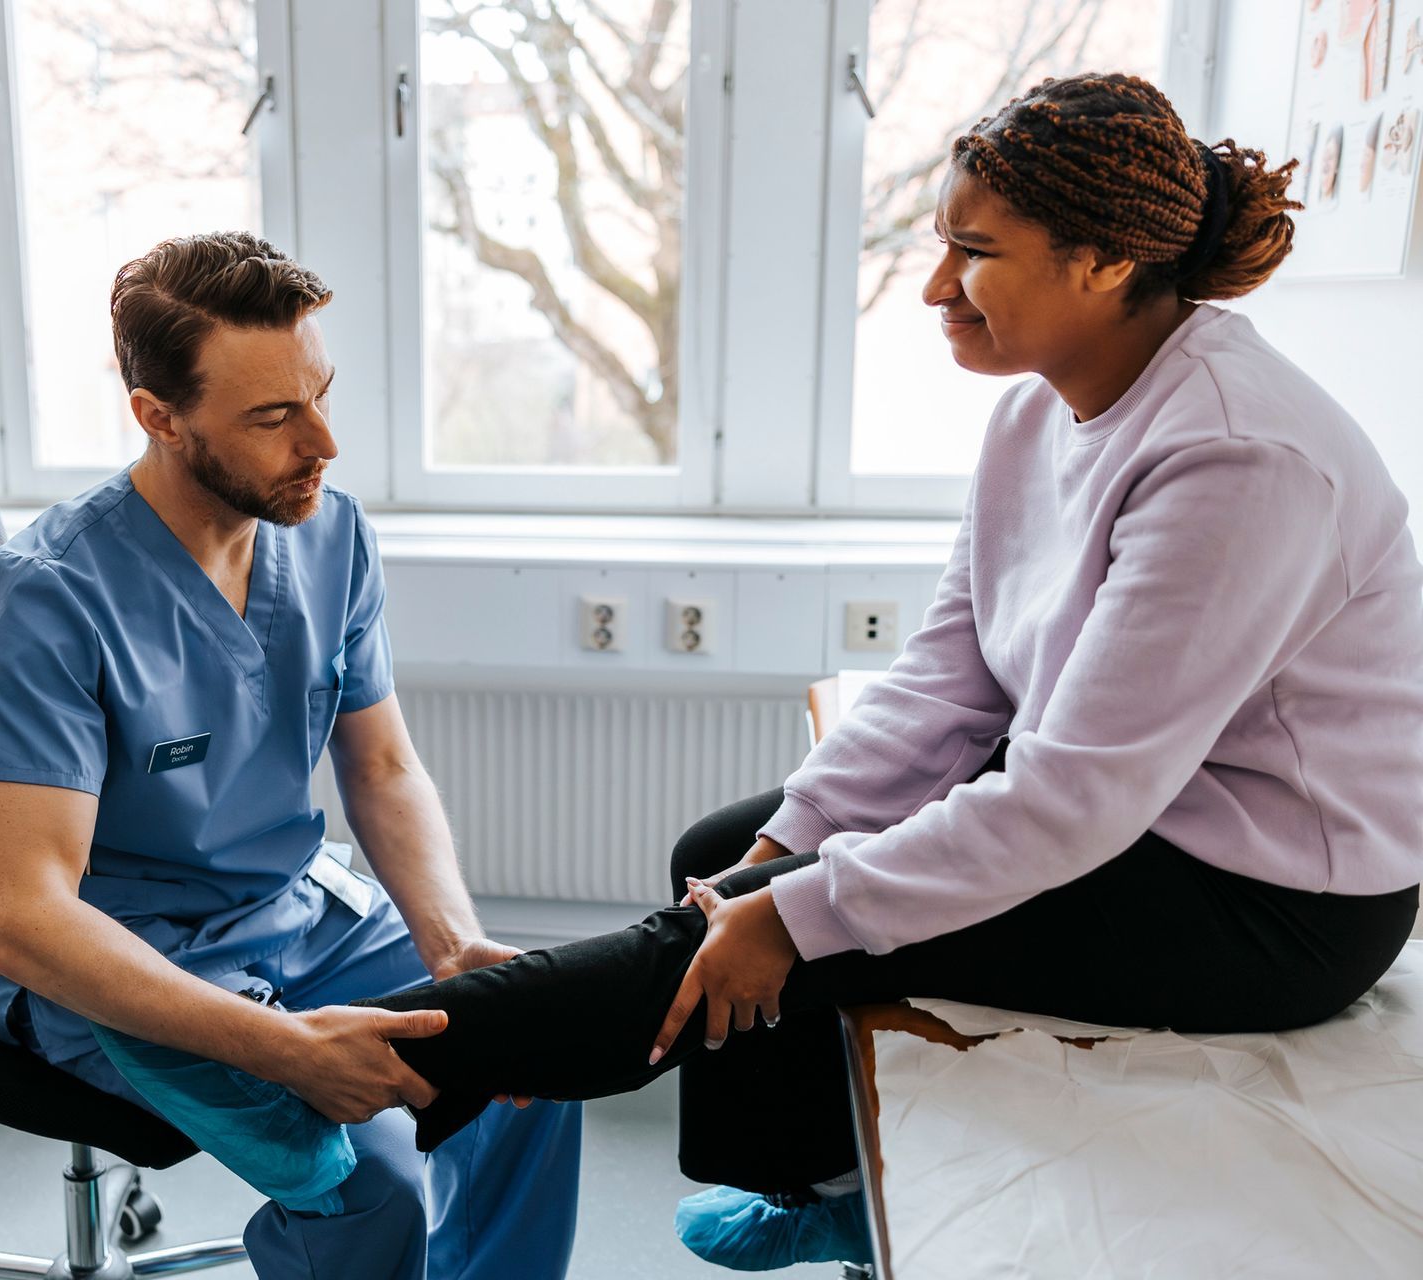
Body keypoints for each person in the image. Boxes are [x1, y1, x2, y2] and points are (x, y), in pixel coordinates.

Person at [96, 73, 1423, 1274]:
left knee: (778, 922)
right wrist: (789, 849)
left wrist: (792, 911)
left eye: (976, 253)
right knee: (730, 851)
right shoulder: (1043, 407)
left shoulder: (1241, 460)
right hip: (1140, 809)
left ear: (1105, 261)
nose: (935, 287)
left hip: (1273, 894)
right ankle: (795, 1170)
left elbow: (1076, 799)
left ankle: (377, 1058)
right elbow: (953, 672)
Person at [0, 232, 581, 1280]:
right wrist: (284, 1048)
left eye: (320, 393)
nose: (322, 440)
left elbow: (380, 768)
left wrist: (453, 939)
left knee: (532, 1058)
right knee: (369, 1185)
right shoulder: (50, 596)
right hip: (130, 961)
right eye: (276, 416)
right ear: (161, 416)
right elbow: (21, 920)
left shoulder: (331, 534)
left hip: (298, 911)